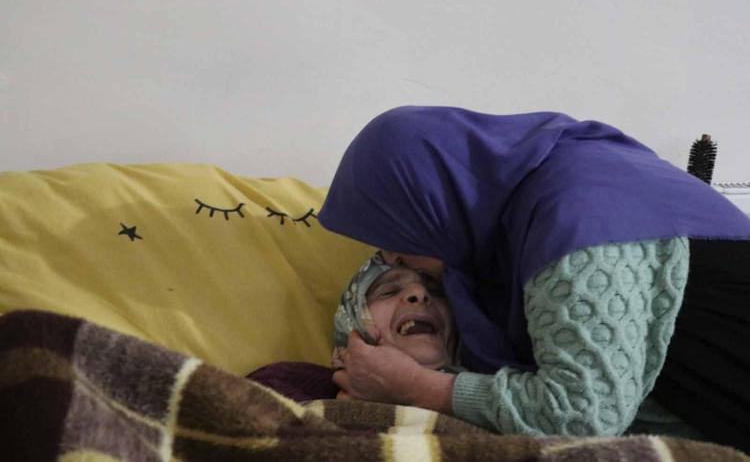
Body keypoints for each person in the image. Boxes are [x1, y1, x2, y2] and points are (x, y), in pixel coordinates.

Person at [318, 106, 750, 451]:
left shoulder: (574, 217)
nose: (394, 258)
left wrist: (415, 387)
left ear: (430, 198)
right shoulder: (509, 248)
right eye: (388, 285)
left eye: (393, 232)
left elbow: (583, 415)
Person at [248, 252, 459, 402]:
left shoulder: (480, 402)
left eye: (435, 291)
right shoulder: (288, 386)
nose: (420, 294)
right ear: (350, 325)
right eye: (389, 292)